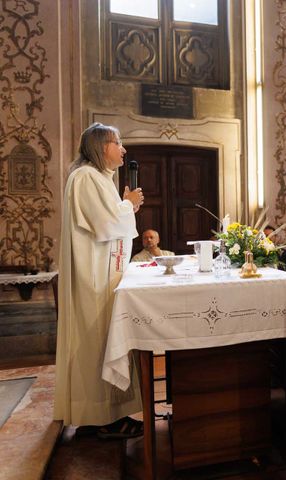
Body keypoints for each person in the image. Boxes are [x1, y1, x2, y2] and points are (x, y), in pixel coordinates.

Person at [54, 123, 145, 439]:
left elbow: (111, 222)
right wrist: (128, 204)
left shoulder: (99, 179)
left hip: (105, 275)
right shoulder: (86, 177)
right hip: (94, 279)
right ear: (99, 146)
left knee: (104, 342)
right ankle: (98, 419)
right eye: (117, 142)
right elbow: (106, 225)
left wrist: (123, 205)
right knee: (95, 343)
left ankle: (111, 415)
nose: (123, 149)